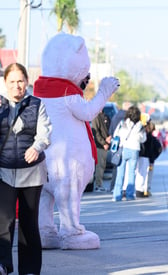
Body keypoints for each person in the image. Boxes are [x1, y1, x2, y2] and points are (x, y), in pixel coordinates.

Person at [0, 63, 52, 275]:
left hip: (32, 173)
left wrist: (36, 147)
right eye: (11, 82)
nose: (16, 86)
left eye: (20, 81)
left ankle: (29, 270)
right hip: (4, 173)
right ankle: (3, 265)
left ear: (27, 82)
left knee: (29, 223)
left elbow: (45, 133)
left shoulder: (36, 104)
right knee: (4, 221)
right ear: (5, 83)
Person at [112, 106, 147, 201]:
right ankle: (130, 195)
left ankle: (117, 195)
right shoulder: (140, 126)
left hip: (124, 149)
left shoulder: (122, 123)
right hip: (134, 150)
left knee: (120, 173)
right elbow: (143, 139)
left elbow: (115, 135)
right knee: (132, 173)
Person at [108, 101, 132, 192]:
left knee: (116, 165)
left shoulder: (115, 116)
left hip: (115, 144)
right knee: (123, 167)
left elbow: (110, 131)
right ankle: (120, 188)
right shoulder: (126, 118)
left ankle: (113, 186)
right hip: (123, 144)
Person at [135, 120, 162, 197]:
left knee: (141, 174)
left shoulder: (142, 136)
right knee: (147, 176)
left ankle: (140, 190)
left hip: (141, 157)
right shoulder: (152, 138)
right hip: (149, 159)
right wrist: (154, 157)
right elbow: (159, 149)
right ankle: (145, 190)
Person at [92, 109, 111, 192]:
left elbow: (111, 128)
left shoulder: (106, 116)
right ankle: (98, 185)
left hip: (108, 144)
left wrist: (110, 137)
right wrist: (104, 143)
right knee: (99, 166)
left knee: (103, 165)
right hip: (100, 146)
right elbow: (96, 133)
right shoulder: (95, 117)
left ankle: (100, 184)